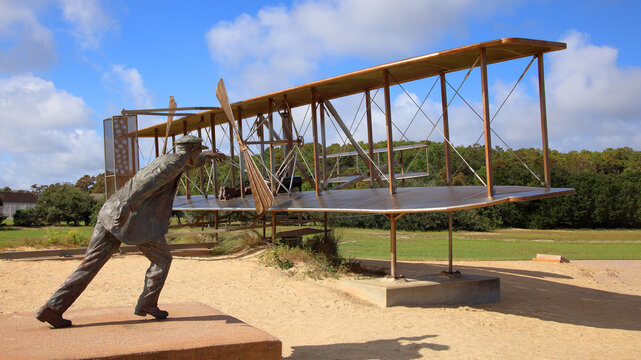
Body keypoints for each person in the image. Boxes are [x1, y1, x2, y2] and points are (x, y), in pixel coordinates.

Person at [35, 135, 225, 328]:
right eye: (199, 150)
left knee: (89, 265)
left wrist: (208, 157)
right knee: (162, 260)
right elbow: (146, 185)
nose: (200, 153)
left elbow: (190, 164)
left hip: (109, 214)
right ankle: (147, 304)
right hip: (130, 220)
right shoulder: (172, 165)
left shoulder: (171, 159)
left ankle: (52, 308)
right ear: (192, 150)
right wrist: (127, 207)